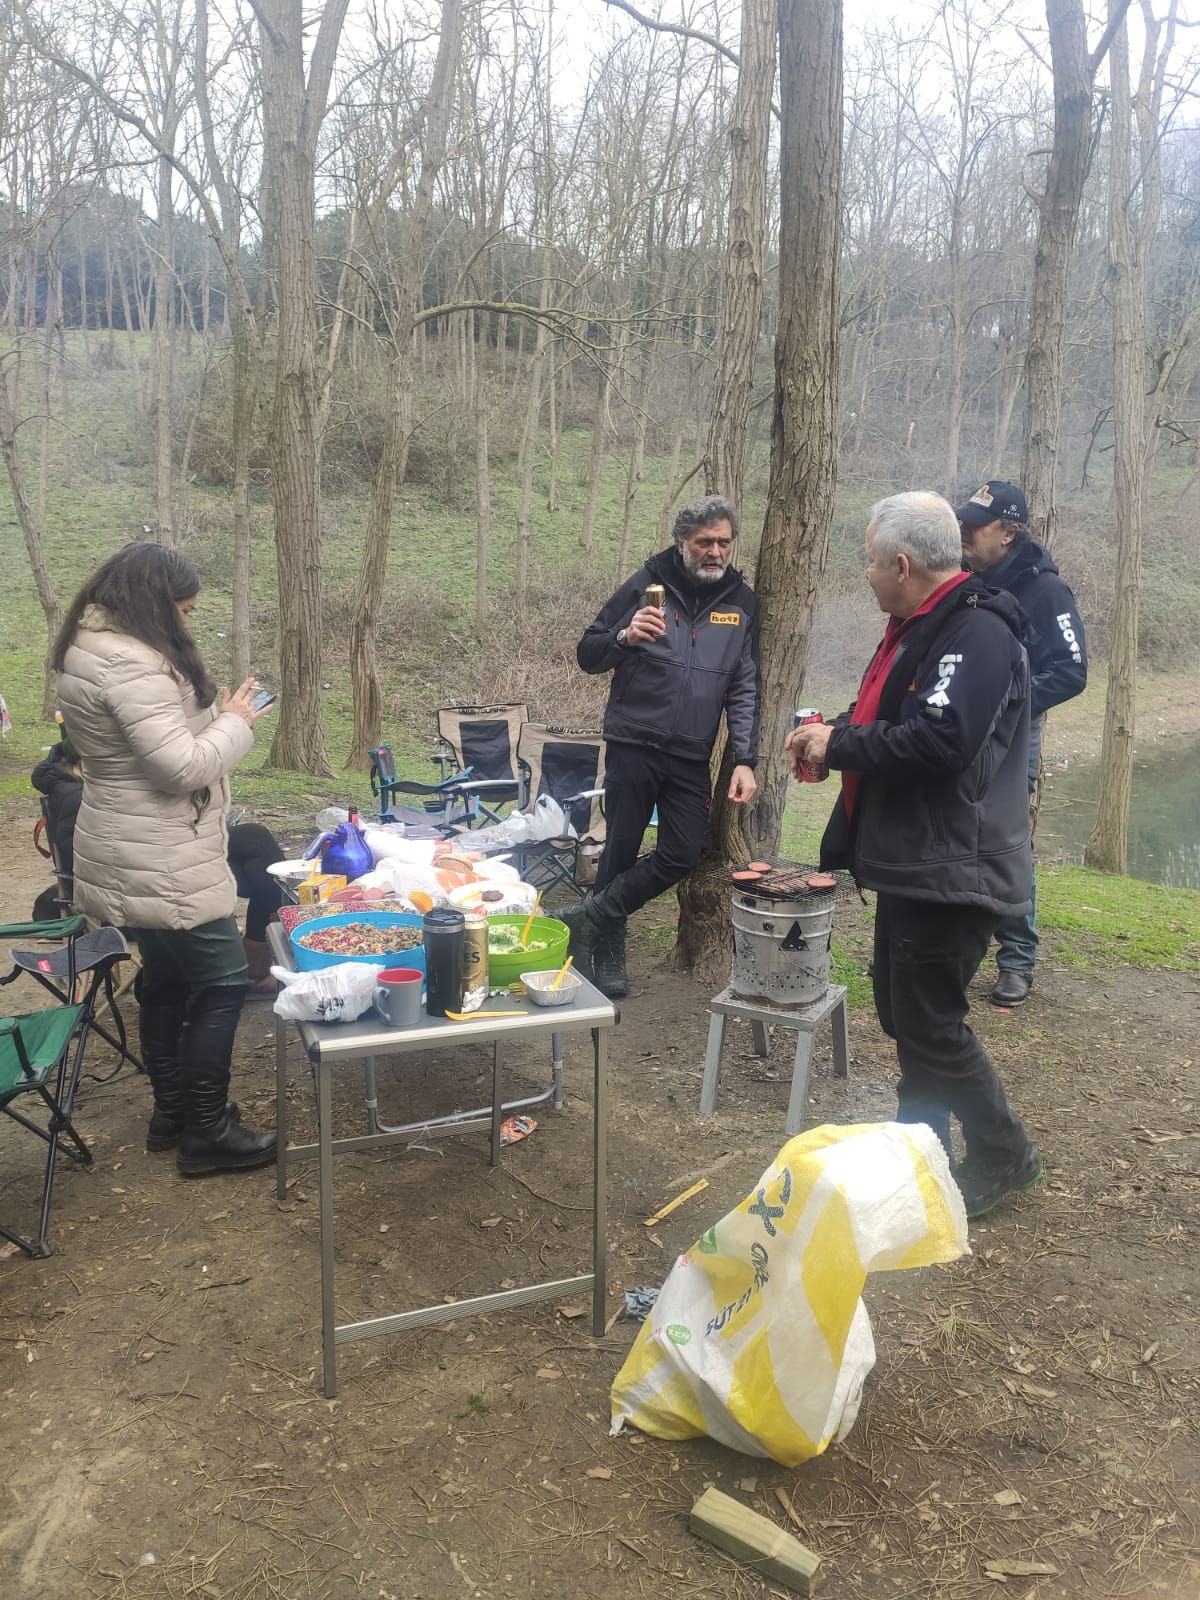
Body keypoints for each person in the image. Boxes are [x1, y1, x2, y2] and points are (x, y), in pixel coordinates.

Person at [786, 491, 1042, 1219]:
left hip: (953, 866)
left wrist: (840, 744)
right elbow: (895, 716)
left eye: (870, 562)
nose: (866, 574)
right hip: (915, 861)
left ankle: (1003, 1155)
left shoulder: (976, 631)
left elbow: (941, 738)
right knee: (907, 1018)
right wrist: (831, 736)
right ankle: (918, 1149)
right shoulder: (919, 625)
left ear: (902, 565)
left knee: (931, 1024)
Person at [54, 541, 277, 1176]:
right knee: (224, 983)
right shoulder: (131, 664)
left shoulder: (89, 646)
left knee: (165, 979)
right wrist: (236, 722)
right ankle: (207, 1131)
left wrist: (215, 712)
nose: (186, 620)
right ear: (152, 602)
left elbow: (142, 745)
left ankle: (172, 1113)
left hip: (125, 842)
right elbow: (179, 768)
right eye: (183, 609)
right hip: (162, 851)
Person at [570, 494, 761, 998]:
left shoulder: (741, 602)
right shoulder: (646, 584)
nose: (716, 552)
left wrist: (745, 758)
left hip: (691, 752)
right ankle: (607, 953)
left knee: (681, 853)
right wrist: (625, 636)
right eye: (705, 542)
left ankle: (591, 916)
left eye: (724, 542)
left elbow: (745, 685)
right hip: (634, 742)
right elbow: (588, 653)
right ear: (682, 543)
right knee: (621, 848)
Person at [956, 480, 1087, 1007]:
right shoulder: (962, 580)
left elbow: (1072, 671)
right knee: (951, 835)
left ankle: (1017, 959)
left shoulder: (1045, 590)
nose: (963, 530)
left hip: (1013, 736)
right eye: (961, 521)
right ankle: (946, 949)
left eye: (975, 524)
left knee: (1006, 844)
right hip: (956, 729)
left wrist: (1008, 700)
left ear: (1008, 531)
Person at [31, 738, 283, 995]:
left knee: (259, 865)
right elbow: (99, 859)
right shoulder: (82, 793)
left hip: (161, 861)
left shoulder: (94, 781)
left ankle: (259, 958)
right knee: (258, 851)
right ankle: (265, 955)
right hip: (136, 885)